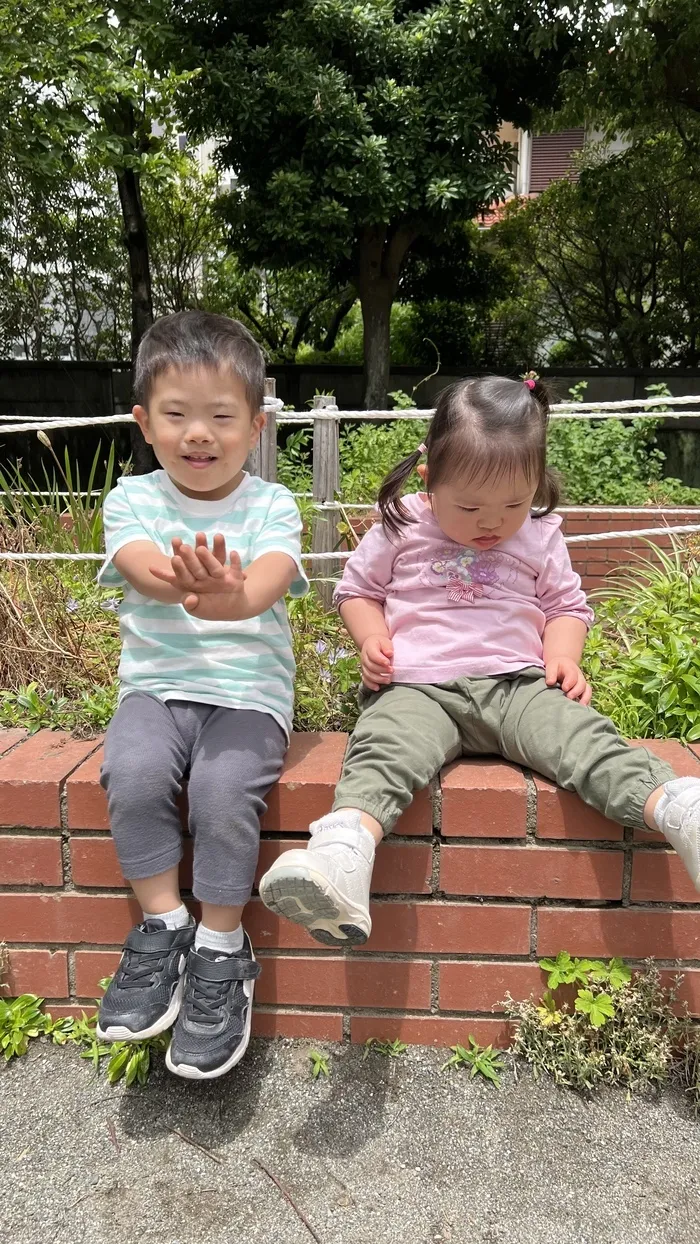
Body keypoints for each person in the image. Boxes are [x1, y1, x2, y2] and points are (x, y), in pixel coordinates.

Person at [259, 375, 700, 945]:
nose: (492, 522)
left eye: (515, 503)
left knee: (583, 741)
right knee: (383, 754)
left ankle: (678, 809)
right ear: (429, 481)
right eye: (469, 506)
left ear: (536, 487)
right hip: (417, 689)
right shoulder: (402, 524)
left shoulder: (539, 534)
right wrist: (371, 639)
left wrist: (564, 656)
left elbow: (567, 604)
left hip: (518, 686)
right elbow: (356, 590)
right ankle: (342, 855)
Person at [96, 310, 307, 1080]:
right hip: (156, 686)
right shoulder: (131, 499)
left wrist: (230, 597)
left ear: (255, 425)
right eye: (177, 414)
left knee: (223, 790)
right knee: (136, 772)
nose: (199, 433)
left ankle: (222, 945)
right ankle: (164, 926)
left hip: (246, 693)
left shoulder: (272, 506)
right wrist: (187, 586)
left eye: (221, 416)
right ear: (143, 422)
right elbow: (143, 566)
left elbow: (265, 583)